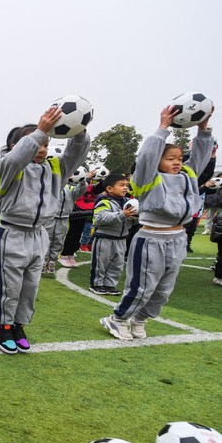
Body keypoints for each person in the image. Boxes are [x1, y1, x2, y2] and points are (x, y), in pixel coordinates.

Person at [101, 106, 213, 340]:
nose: (177, 162)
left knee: (163, 289)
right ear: (158, 160)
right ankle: (118, 318)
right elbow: (146, 158)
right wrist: (162, 128)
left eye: (180, 159)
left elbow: (201, 157)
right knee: (142, 286)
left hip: (178, 238)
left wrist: (203, 131)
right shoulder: (147, 179)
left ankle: (139, 319)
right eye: (170, 158)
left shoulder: (187, 176)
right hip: (152, 238)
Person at [0, 107, 90, 353]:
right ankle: (1, 326)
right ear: (16, 146)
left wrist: (79, 129)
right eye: (36, 143)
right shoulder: (8, 168)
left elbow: (76, 155)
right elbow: (14, 159)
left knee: (30, 286)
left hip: (39, 235)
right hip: (11, 233)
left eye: (46, 144)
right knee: (10, 286)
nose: (42, 148)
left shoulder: (55, 168)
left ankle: (19, 325)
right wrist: (40, 131)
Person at [89, 174, 136, 295]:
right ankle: (97, 284)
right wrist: (122, 214)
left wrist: (136, 217)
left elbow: (131, 220)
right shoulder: (104, 202)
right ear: (109, 188)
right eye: (121, 185)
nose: (125, 188)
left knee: (117, 264)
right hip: (104, 238)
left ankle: (110, 285)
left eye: (127, 185)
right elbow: (100, 218)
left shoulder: (128, 202)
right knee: (101, 263)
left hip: (121, 239)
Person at [47, 171, 91, 273]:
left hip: (64, 218)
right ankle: (43, 262)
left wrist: (83, 181)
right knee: (47, 240)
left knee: (58, 241)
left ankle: (51, 262)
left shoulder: (69, 189)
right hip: (50, 217)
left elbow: (80, 191)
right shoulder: (52, 186)